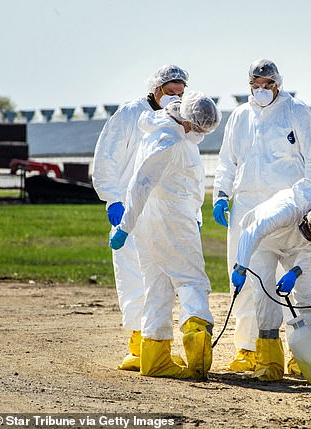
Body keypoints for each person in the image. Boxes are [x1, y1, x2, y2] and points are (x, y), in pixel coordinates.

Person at [212, 59, 311, 372]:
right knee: (249, 279)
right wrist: (221, 195)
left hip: (290, 207)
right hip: (246, 208)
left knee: (298, 280)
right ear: (249, 84)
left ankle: (303, 350)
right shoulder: (239, 116)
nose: (262, 90)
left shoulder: (298, 113)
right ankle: (249, 349)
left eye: (268, 84)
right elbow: (227, 161)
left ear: (279, 83)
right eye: (257, 84)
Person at [109, 92, 221, 379]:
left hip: (152, 223)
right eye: (198, 128)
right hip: (172, 220)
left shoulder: (163, 131)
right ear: (187, 121)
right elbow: (140, 185)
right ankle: (198, 346)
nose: (199, 134)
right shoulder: (169, 140)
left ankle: (155, 356)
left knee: (157, 285)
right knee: (192, 281)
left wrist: (130, 226)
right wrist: (124, 227)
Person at [92, 65, 189, 371]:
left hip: (161, 211)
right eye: (170, 92)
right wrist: (112, 200)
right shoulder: (129, 115)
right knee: (133, 276)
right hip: (128, 209)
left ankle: (155, 342)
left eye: (180, 94)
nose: (175, 98)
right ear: (156, 89)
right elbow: (106, 158)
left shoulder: (175, 119)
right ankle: (138, 345)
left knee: (160, 277)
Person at [230, 178, 311, 381]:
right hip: (265, 243)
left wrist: (295, 272)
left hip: (300, 250)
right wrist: (241, 266)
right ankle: (269, 361)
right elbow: (251, 233)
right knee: (265, 291)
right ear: (305, 218)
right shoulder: (285, 210)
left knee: (309, 292)